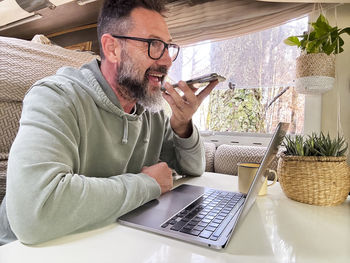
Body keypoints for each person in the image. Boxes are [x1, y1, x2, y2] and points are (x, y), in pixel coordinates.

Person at [0, 0, 217, 245]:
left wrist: (182, 126)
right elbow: (34, 214)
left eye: (168, 47)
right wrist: (148, 184)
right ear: (112, 48)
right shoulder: (56, 97)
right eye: (154, 45)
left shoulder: (150, 111)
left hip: (102, 240)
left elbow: (194, 168)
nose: (167, 60)